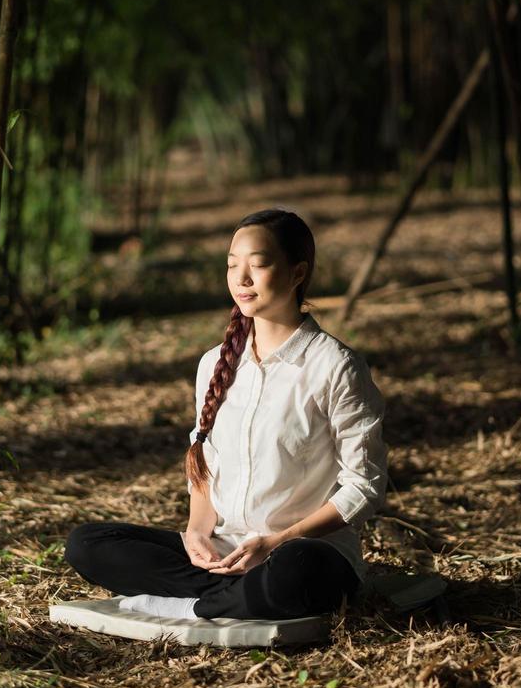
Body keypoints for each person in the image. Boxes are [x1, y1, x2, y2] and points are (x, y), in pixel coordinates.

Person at [64, 208, 388, 621]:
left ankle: (191, 604)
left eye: (259, 264)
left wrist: (275, 542)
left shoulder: (335, 366)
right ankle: (230, 595)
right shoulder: (214, 363)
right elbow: (206, 467)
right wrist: (198, 531)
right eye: (233, 266)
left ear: (297, 273)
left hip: (301, 552)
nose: (242, 279)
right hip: (227, 550)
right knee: (87, 544)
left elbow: (364, 486)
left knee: (293, 574)